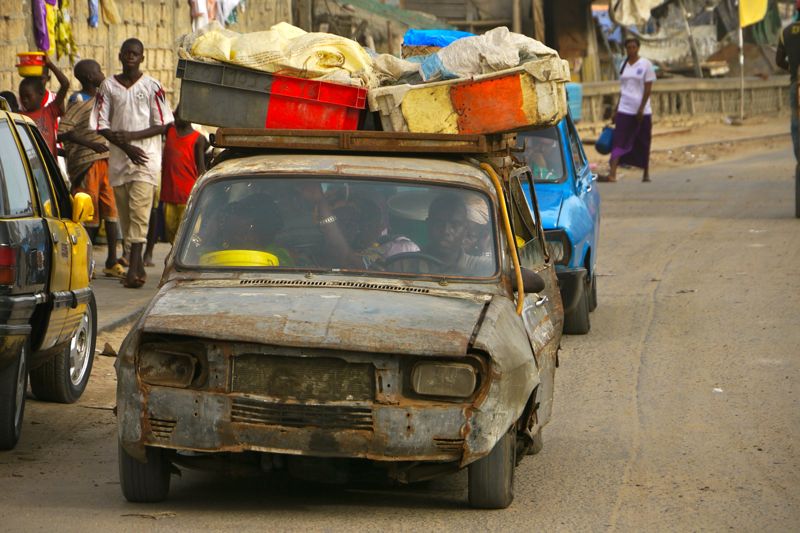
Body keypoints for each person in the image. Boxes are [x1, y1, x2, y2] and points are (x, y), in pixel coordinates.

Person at [90, 38, 174, 288]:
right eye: (126, 53)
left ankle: (133, 269)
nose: (130, 57)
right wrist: (124, 145)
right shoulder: (108, 87)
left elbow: (162, 123)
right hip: (118, 160)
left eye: (135, 53)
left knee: (139, 211)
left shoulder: (152, 87)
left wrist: (132, 138)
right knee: (126, 215)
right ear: (119, 55)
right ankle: (136, 266)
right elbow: (100, 123)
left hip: (146, 159)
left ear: (142, 58)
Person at [58, 59, 122, 278]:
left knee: (111, 211)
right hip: (87, 162)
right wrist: (90, 144)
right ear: (88, 77)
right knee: (89, 213)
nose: (102, 73)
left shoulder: (104, 99)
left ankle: (112, 261)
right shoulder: (78, 100)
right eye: (98, 71)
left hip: (107, 160)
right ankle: (86, 261)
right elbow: (64, 130)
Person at [605, 37, 656, 183]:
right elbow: (623, 89)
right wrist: (616, 109)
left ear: (638, 48)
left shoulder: (646, 64)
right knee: (618, 140)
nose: (631, 50)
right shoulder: (623, 65)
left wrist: (641, 108)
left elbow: (648, 89)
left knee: (643, 141)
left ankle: (646, 172)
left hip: (642, 110)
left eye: (634, 47)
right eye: (629, 48)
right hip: (624, 108)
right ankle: (612, 173)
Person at [160, 106, 207, 244]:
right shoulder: (169, 131)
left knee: (187, 235)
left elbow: (201, 168)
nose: (177, 117)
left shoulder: (198, 139)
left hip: (187, 196)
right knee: (170, 232)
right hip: (169, 195)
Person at [421, 193, 494, 277]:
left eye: (455, 224)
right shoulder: (404, 264)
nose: (446, 231)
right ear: (428, 225)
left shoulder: (487, 269)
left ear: (465, 229)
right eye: (439, 223)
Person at [18, 55, 69, 157]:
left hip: (50, 166)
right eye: (22, 96)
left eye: (28, 96)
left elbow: (65, 84)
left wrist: (50, 65)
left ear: (41, 93)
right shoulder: (18, 117)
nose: (24, 100)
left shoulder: (50, 111)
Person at [776, 1, 800, 164]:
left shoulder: (786, 32)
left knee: (796, 124)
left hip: (796, 83)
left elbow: (778, 61)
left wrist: (792, 69)